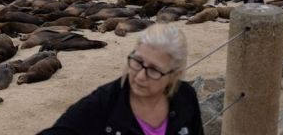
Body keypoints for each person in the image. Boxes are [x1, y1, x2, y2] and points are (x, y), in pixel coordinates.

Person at [37, 23, 204, 135]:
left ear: (175, 74)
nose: (139, 76)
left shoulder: (185, 97)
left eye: (154, 70)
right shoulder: (102, 104)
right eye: (137, 61)